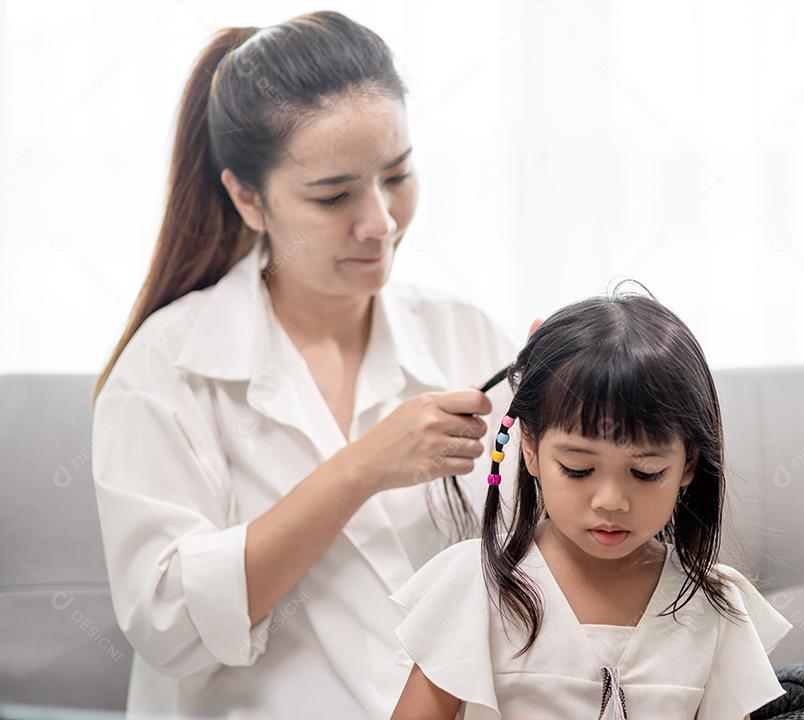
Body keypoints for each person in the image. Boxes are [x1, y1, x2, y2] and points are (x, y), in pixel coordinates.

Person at [91, 11, 528, 719]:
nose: (381, 222)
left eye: (399, 175)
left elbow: (540, 560)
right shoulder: (167, 370)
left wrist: (585, 418)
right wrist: (360, 469)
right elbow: (169, 622)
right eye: (334, 196)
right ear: (247, 198)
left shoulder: (466, 335)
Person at [390, 290, 794, 720]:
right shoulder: (476, 585)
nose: (611, 502)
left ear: (689, 463)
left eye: (645, 473)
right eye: (578, 469)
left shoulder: (712, 605)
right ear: (530, 449)